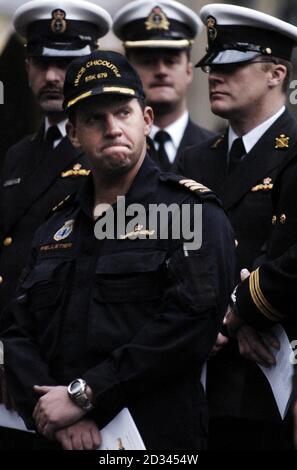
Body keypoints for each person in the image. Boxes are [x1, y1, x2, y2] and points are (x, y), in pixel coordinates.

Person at [0, 49, 235, 450]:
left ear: (145, 119)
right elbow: (17, 331)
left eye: (122, 113)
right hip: (56, 435)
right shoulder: (55, 224)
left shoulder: (190, 212)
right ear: (74, 133)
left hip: (154, 440)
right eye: (94, 119)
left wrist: (85, 395)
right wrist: (54, 411)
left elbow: (188, 327)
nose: (112, 128)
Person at [178, 3, 297, 450]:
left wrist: (239, 313)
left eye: (233, 65)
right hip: (196, 373)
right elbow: (174, 255)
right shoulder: (195, 160)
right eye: (212, 66)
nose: (215, 76)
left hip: (266, 382)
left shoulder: (293, 150)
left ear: (276, 74)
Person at [0, 0, 111, 449]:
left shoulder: (110, 150)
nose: (52, 77)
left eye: (65, 64)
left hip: (71, 376)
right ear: (27, 68)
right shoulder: (18, 154)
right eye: (42, 62)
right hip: (13, 366)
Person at [113, 0, 213, 172]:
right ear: (128, 73)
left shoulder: (218, 151)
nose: (161, 71)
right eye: (147, 62)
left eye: (170, 61)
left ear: (189, 71)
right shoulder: (112, 150)